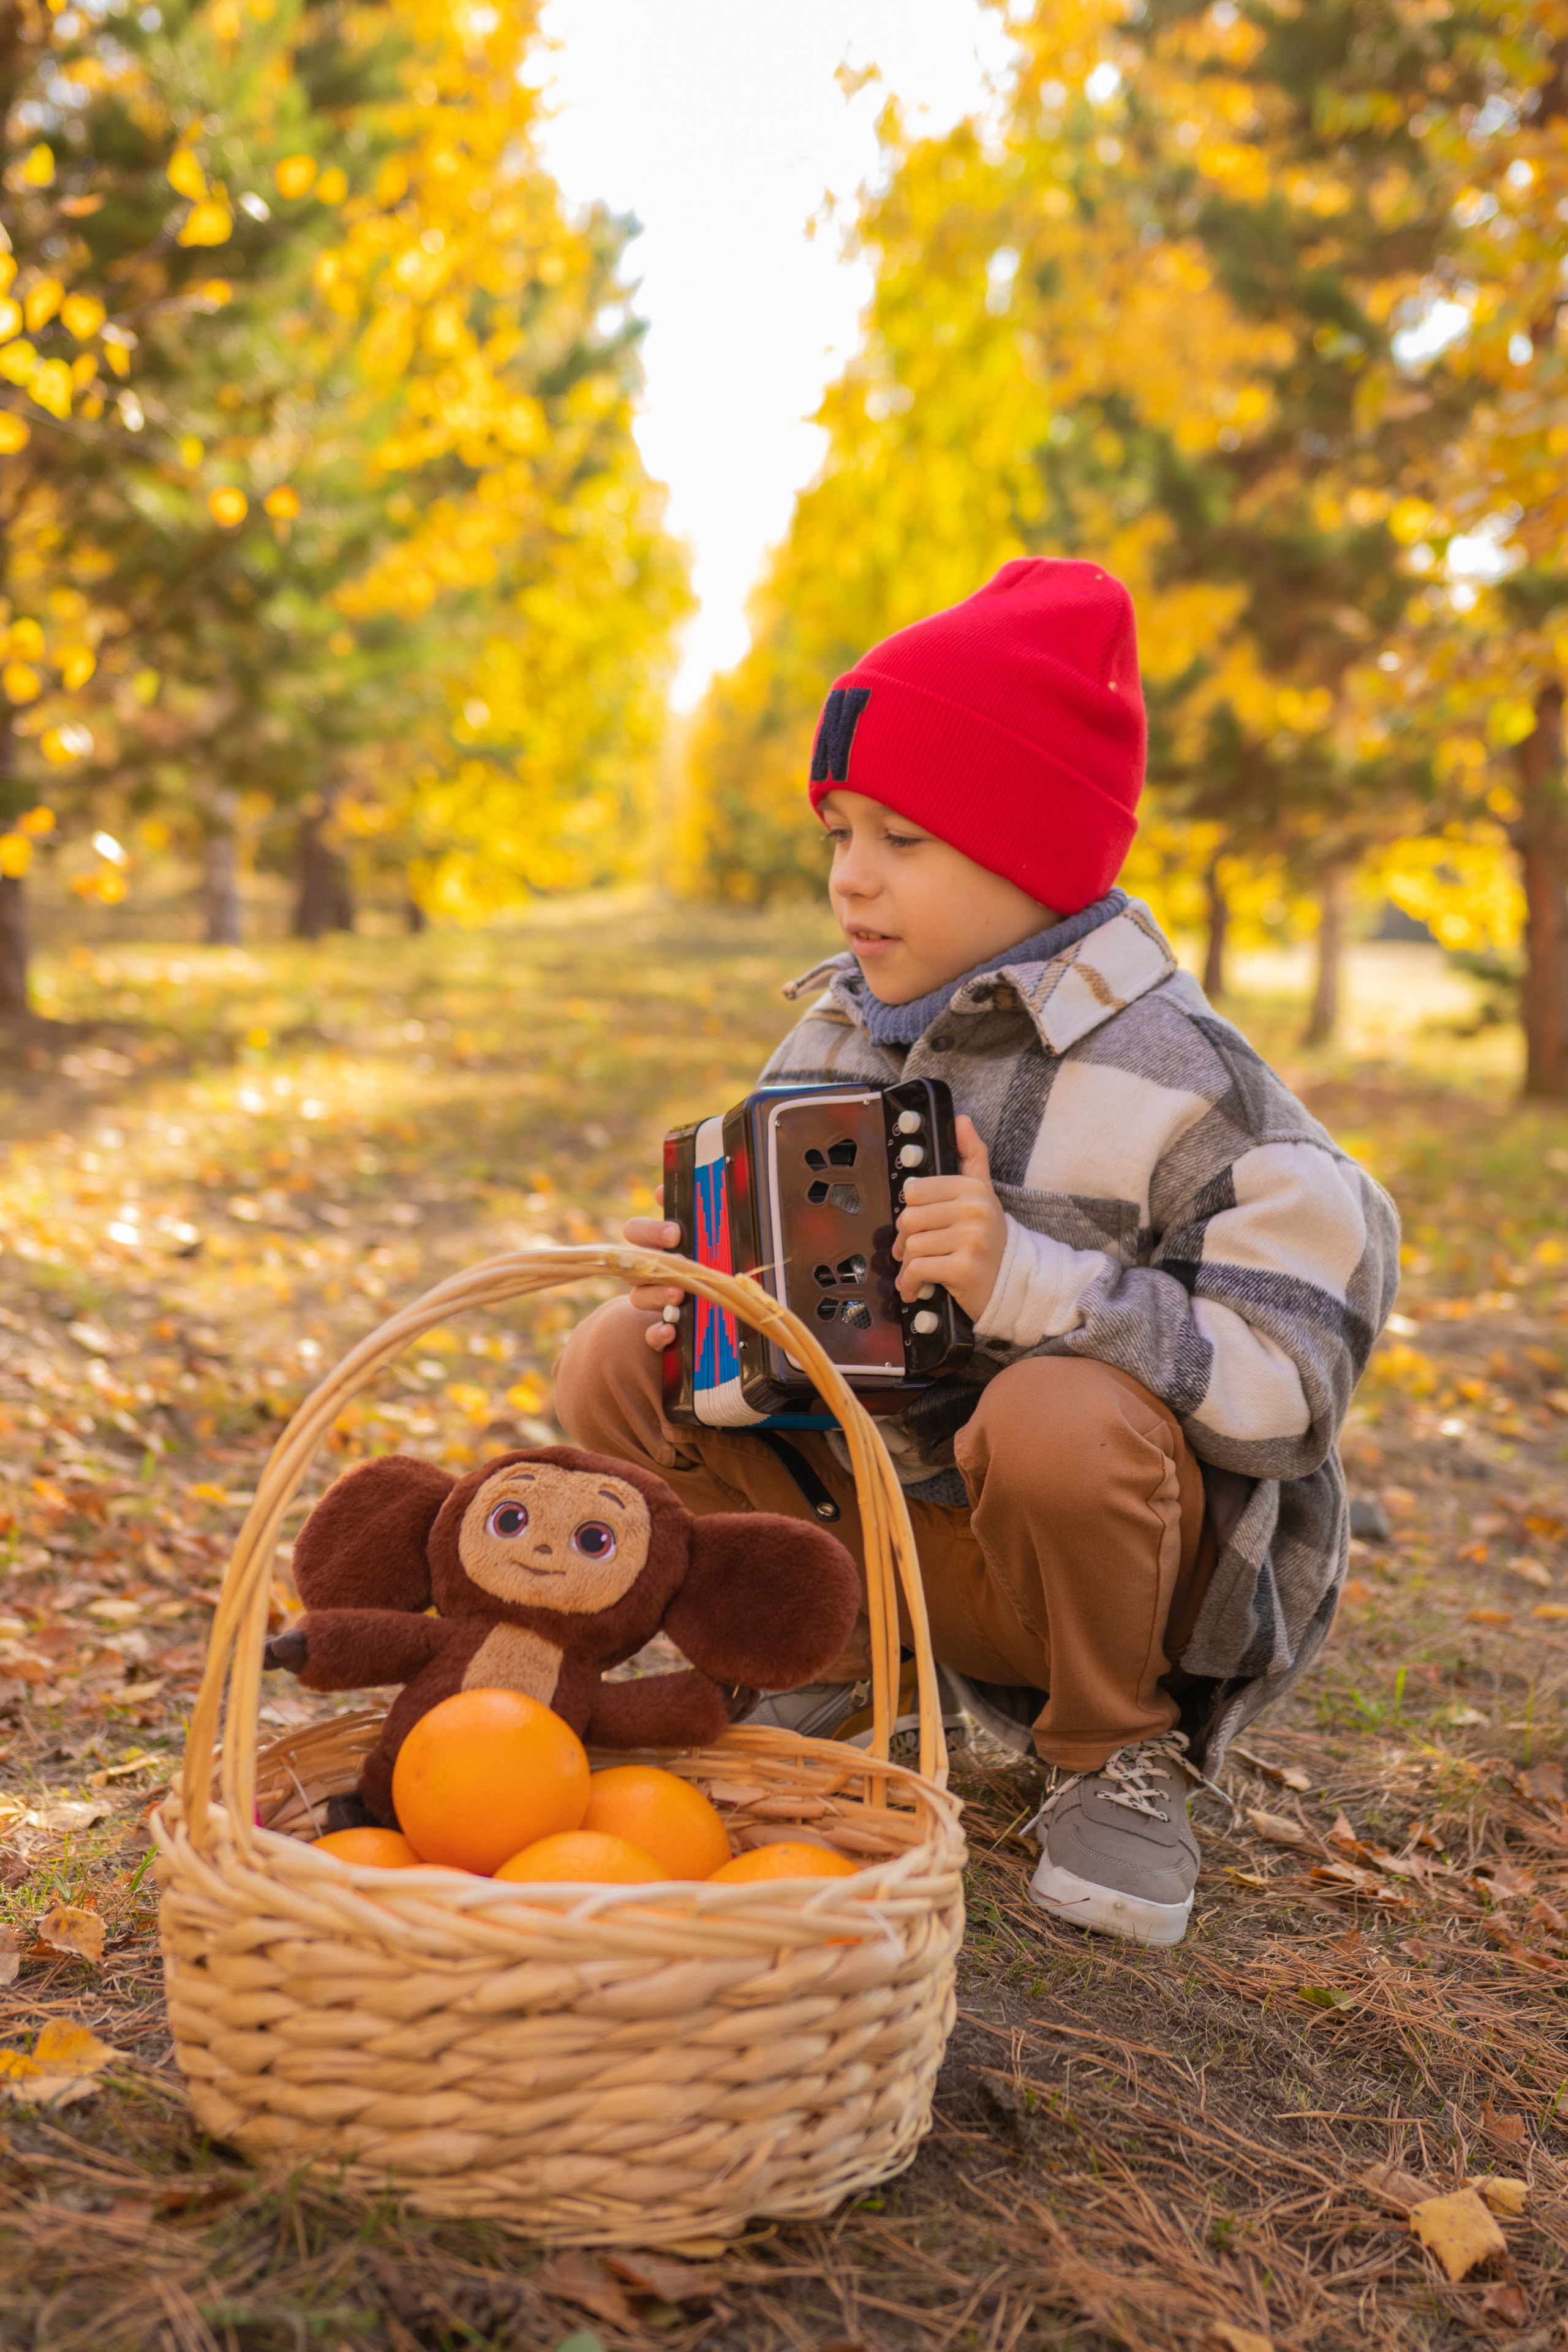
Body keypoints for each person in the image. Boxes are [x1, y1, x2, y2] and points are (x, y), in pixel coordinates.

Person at [554, 557, 1399, 1948]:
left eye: (902, 836)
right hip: (887, 1530)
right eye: (836, 833)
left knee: (1054, 1407)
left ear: (1032, 846)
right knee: (607, 1362)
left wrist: (1035, 1287)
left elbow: (1287, 1390)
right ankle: (835, 1666)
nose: (849, 878)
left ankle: (1108, 1753)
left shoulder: (1193, 1092)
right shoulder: (835, 1038)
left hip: (1099, 1574)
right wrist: (709, 1300)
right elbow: (805, 1318)